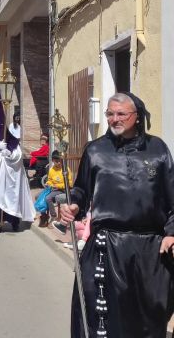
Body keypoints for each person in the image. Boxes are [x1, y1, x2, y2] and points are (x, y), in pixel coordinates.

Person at [60, 92, 174, 338]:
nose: (114, 119)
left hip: (150, 249)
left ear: (137, 116)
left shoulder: (159, 150)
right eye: (110, 114)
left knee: (150, 316)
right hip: (106, 246)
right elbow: (81, 190)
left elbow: (171, 196)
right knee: (102, 317)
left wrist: (171, 232)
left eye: (121, 113)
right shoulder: (95, 150)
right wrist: (73, 205)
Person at [0, 113, 36, 232]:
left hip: (13, 182)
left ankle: (15, 223)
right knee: (0, 198)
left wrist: (8, 154)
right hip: (1, 179)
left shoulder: (17, 148)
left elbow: (16, 158)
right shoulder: (2, 144)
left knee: (13, 201)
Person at [37, 150, 73, 228]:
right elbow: (49, 180)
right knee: (38, 196)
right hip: (52, 188)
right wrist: (48, 183)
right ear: (53, 160)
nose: (58, 163)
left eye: (59, 161)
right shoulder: (52, 169)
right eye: (56, 161)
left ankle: (53, 216)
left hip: (62, 190)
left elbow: (69, 184)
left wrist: (58, 186)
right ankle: (44, 216)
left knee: (48, 198)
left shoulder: (66, 169)